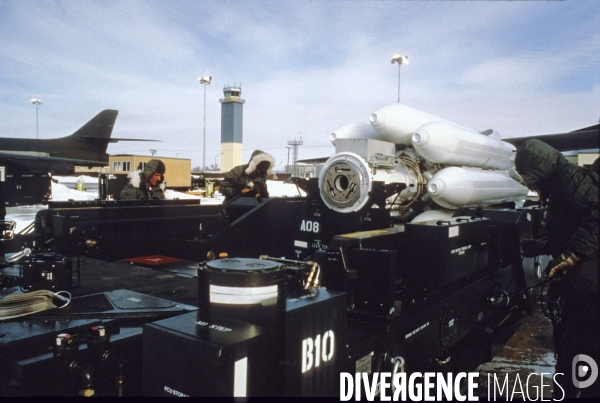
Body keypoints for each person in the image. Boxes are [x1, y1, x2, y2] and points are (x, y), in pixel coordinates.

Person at [516, 139, 599, 398]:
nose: (531, 186)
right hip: (579, 287)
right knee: (569, 347)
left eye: (530, 179)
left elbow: (597, 216)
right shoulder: (563, 181)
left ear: (539, 169)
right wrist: (541, 246)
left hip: (589, 290)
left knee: (583, 350)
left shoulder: (572, 178)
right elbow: (573, 227)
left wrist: (570, 255)